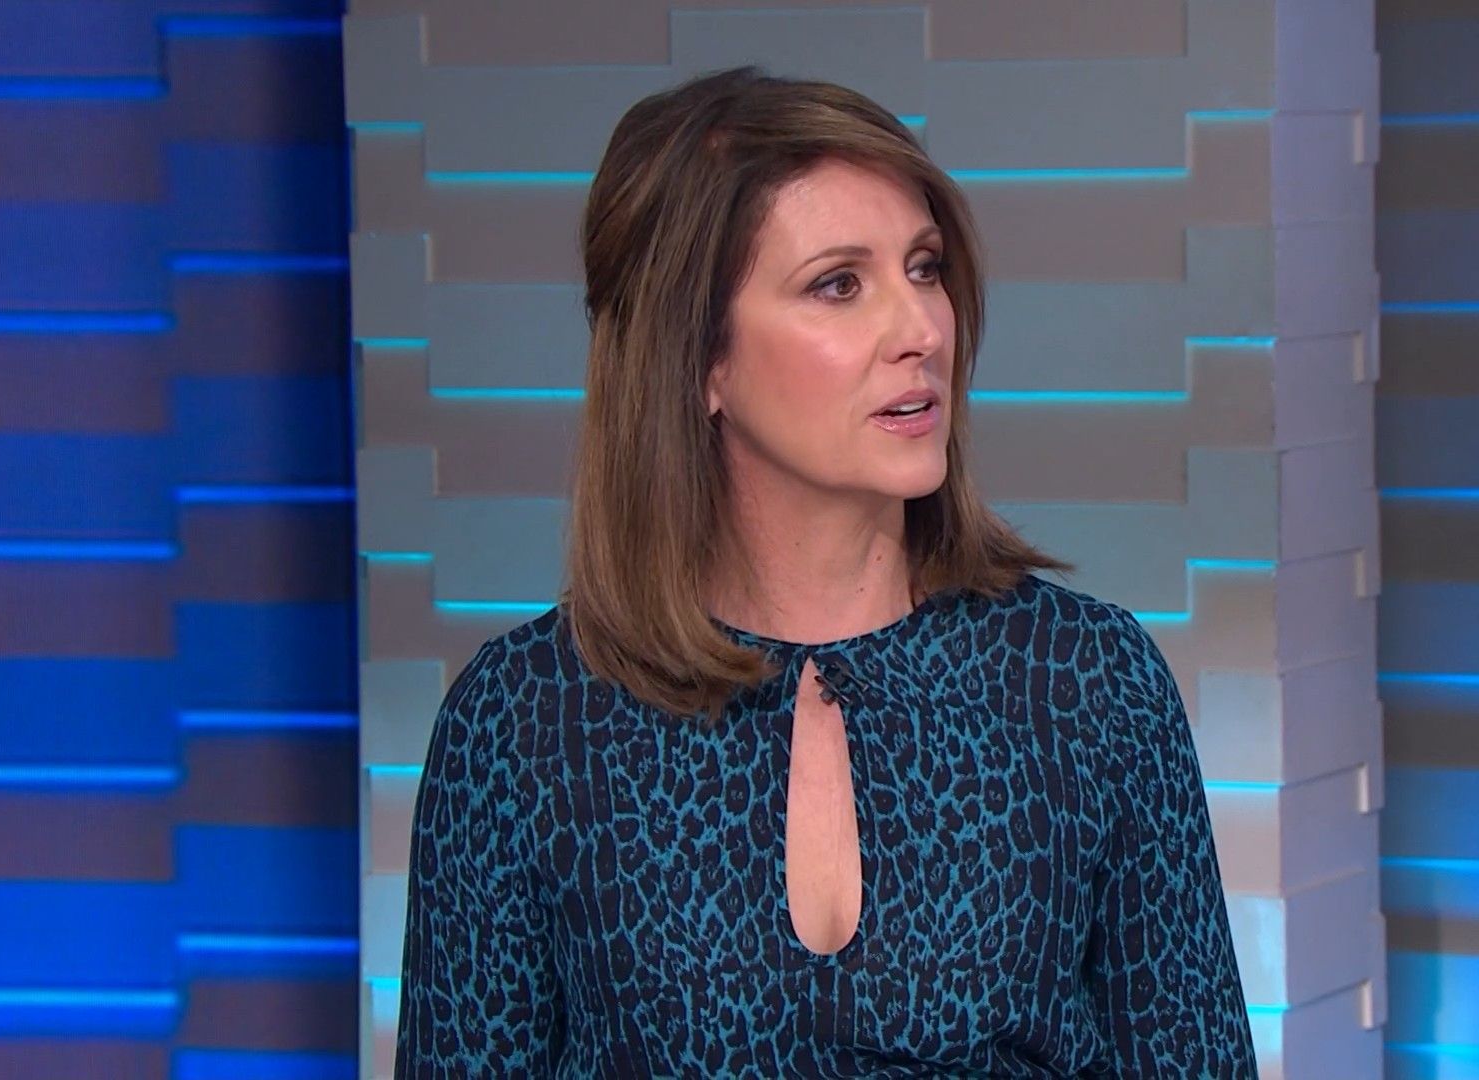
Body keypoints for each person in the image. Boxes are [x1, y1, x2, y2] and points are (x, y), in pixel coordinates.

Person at [393, 64, 1258, 1079]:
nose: (921, 330)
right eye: (839, 285)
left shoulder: (1088, 684)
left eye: (925, 268)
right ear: (698, 359)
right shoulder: (522, 725)